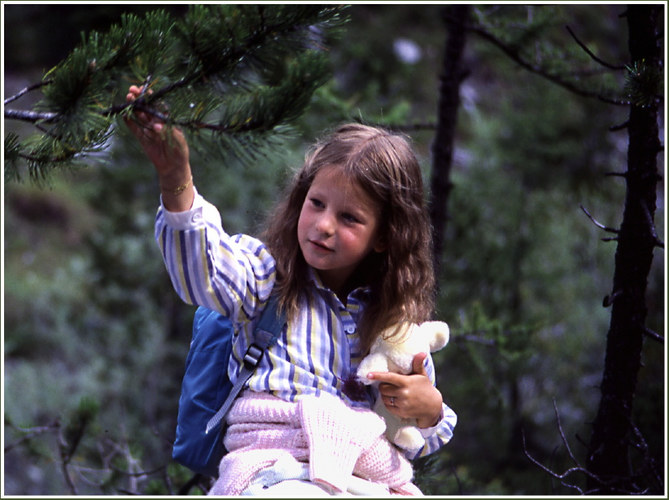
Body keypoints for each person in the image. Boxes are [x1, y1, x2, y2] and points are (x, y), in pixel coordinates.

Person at [124, 85, 457, 495]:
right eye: (316, 203)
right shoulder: (266, 279)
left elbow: (417, 435)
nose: (324, 225)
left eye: (349, 217)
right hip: (272, 470)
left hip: (362, 480)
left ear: (385, 237)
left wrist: (430, 410)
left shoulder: (395, 325)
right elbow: (205, 270)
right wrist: (176, 179)